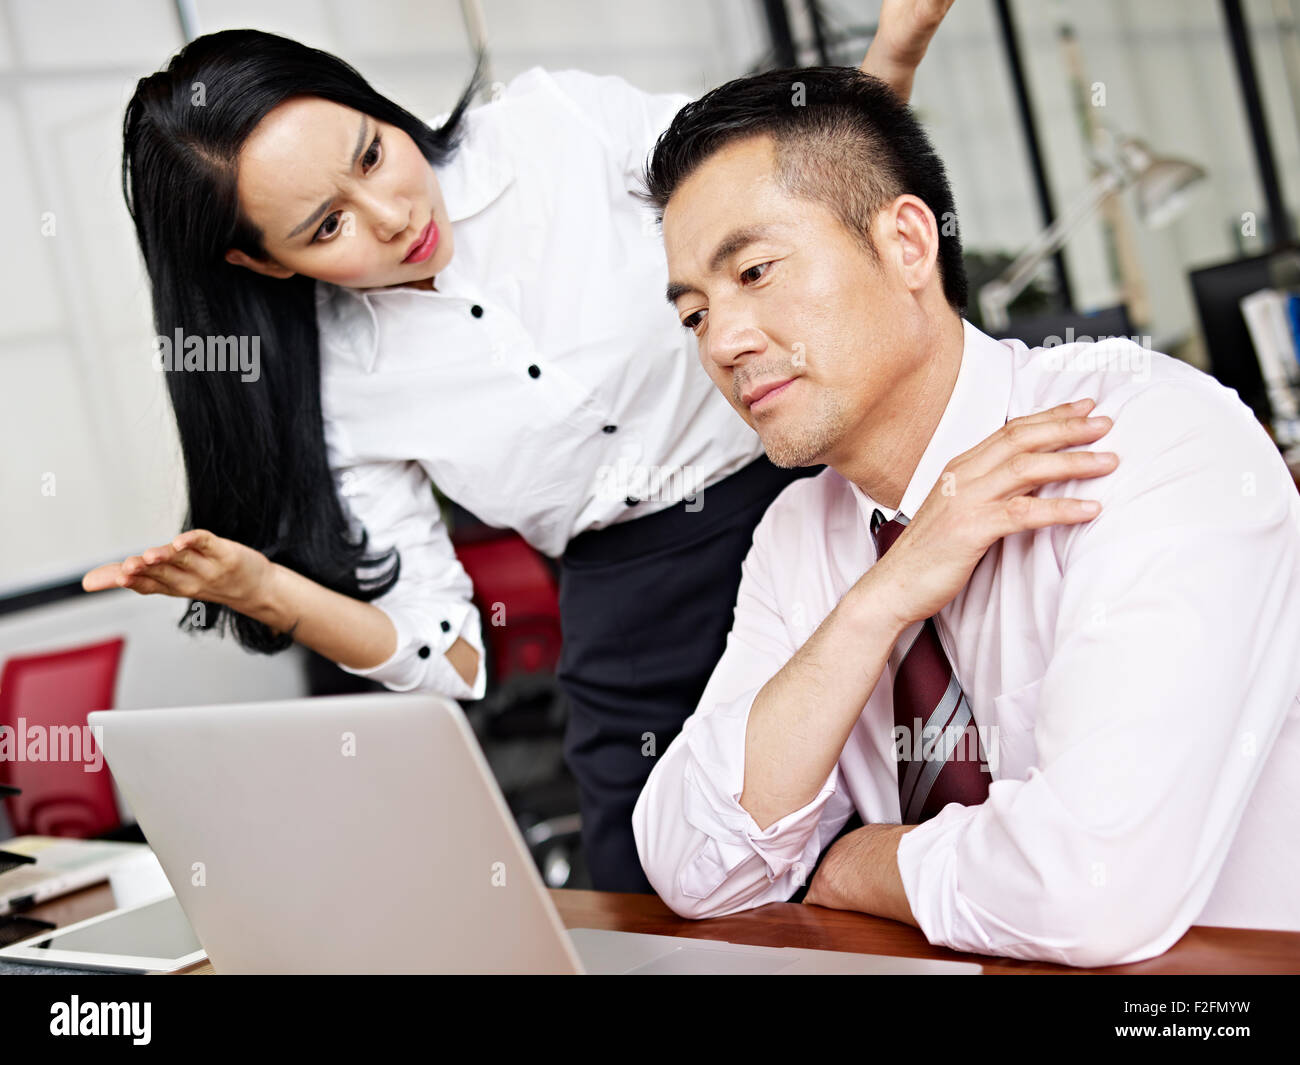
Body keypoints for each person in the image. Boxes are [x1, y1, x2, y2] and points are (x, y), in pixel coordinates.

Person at [81, 6, 956, 892]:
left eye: (373, 153)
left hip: (828, 499)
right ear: (264, 265)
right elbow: (449, 653)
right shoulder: (339, 386)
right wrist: (269, 591)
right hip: (634, 615)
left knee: (923, 818)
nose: (391, 214)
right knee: (641, 912)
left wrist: (897, 49)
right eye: (325, 227)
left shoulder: (553, 128)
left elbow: (796, 182)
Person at [632, 64, 1300, 966]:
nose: (724, 340)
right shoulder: (799, 536)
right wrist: (883, 596)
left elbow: (1089, 891)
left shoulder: (1145, 438)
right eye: (694, 315)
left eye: (755, 272)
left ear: (908, 243)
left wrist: (855, 861)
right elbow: (691, 864)